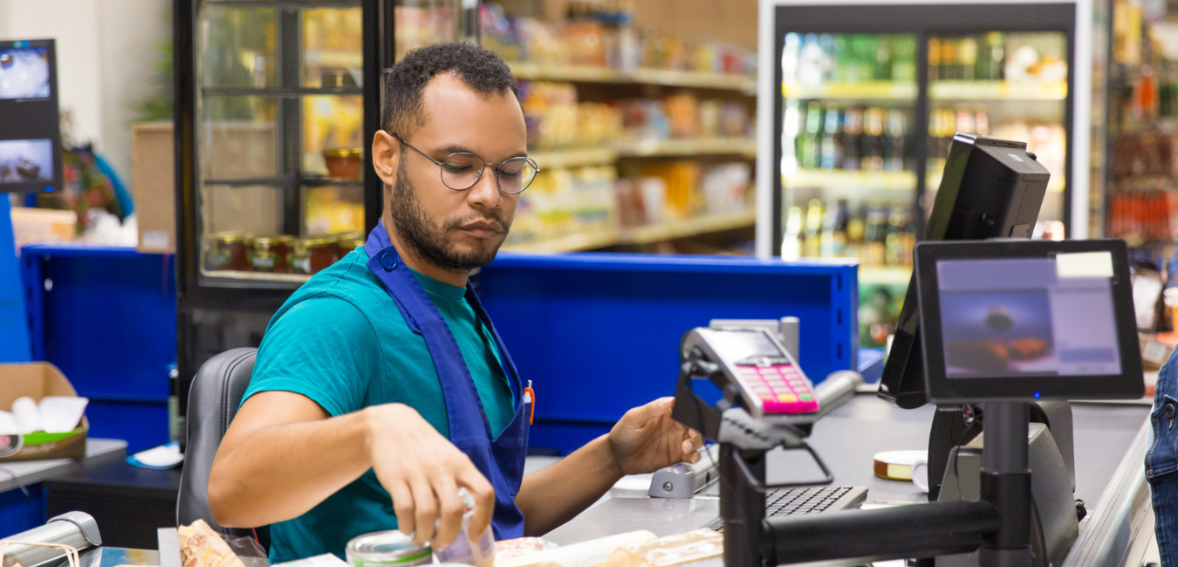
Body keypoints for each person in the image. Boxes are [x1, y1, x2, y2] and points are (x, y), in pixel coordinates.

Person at [206, 43, 703, 563]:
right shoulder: (341, 317)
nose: (489, 193)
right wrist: (372, 431)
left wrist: (613, 456)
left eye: (508, 171)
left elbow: (491, 518)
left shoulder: (457, 304)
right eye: (458, 165)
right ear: (387, 158)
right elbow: (231, 485)